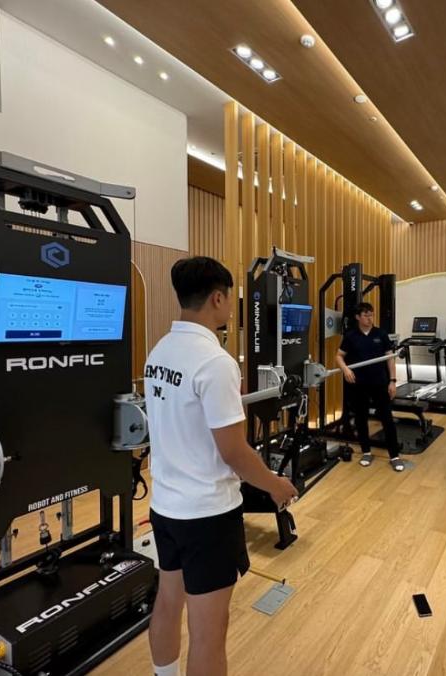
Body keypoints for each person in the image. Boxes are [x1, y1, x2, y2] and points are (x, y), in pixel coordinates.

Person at [145, 256, 298, 676]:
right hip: (207, 516)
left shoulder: (159, 352)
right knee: (209, 631)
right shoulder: (215, 363)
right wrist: (275, 485)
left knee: (168, 601)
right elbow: (234, 452)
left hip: (166, 508)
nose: (230, 306)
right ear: (217, 298)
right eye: (230, 298)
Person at [336, 302, 405, 471]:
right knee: (361, 419)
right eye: (366, 315)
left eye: (371, 315)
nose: (369, 318)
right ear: (357, 317)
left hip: (379, 383)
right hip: (359, 384)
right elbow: (339, 356)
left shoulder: (381, 334)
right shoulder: (351, 336)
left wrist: (393, 381)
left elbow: (390, 358)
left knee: (387, 419)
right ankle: (366, 452)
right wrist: (345, 369)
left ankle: (394, 456)